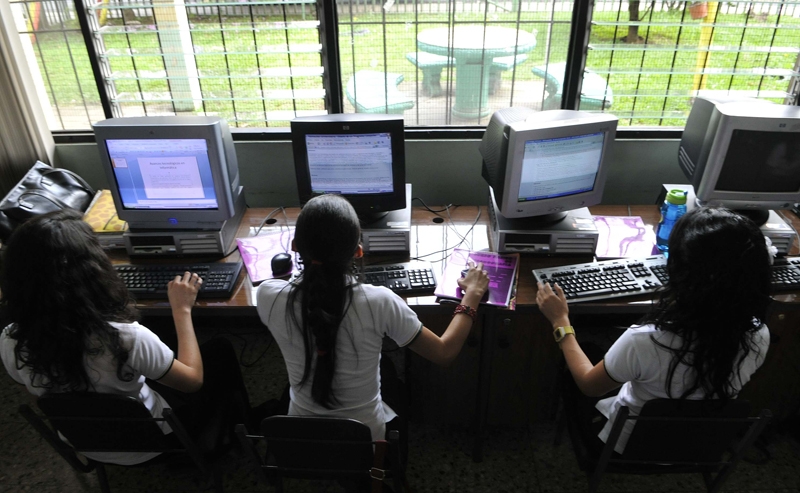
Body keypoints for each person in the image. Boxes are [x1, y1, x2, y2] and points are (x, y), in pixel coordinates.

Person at [0, 209, 253, 465]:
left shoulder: (11, 339)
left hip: (87, 444)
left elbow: (42, 397)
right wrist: (182, 309)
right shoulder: (124, 338)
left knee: (150, 357)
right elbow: (193, 382)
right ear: (91, 271)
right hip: (158, 442)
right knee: (219, 349)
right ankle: (241, 430)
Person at [256, 194, 490, 455]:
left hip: (302, 439)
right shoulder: (379, 301)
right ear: (358, 251)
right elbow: (444, 353)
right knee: (393, 377)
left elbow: (287, 285)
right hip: (364, 441)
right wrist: (473, 295)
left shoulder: (268, 296)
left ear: (295, 245)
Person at [536, 207, 771, 456]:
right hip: (700, 446)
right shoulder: (759, 335)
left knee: (583, 354)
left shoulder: (645, 339)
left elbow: (589, 386)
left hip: (627, 445)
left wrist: (560, 321)